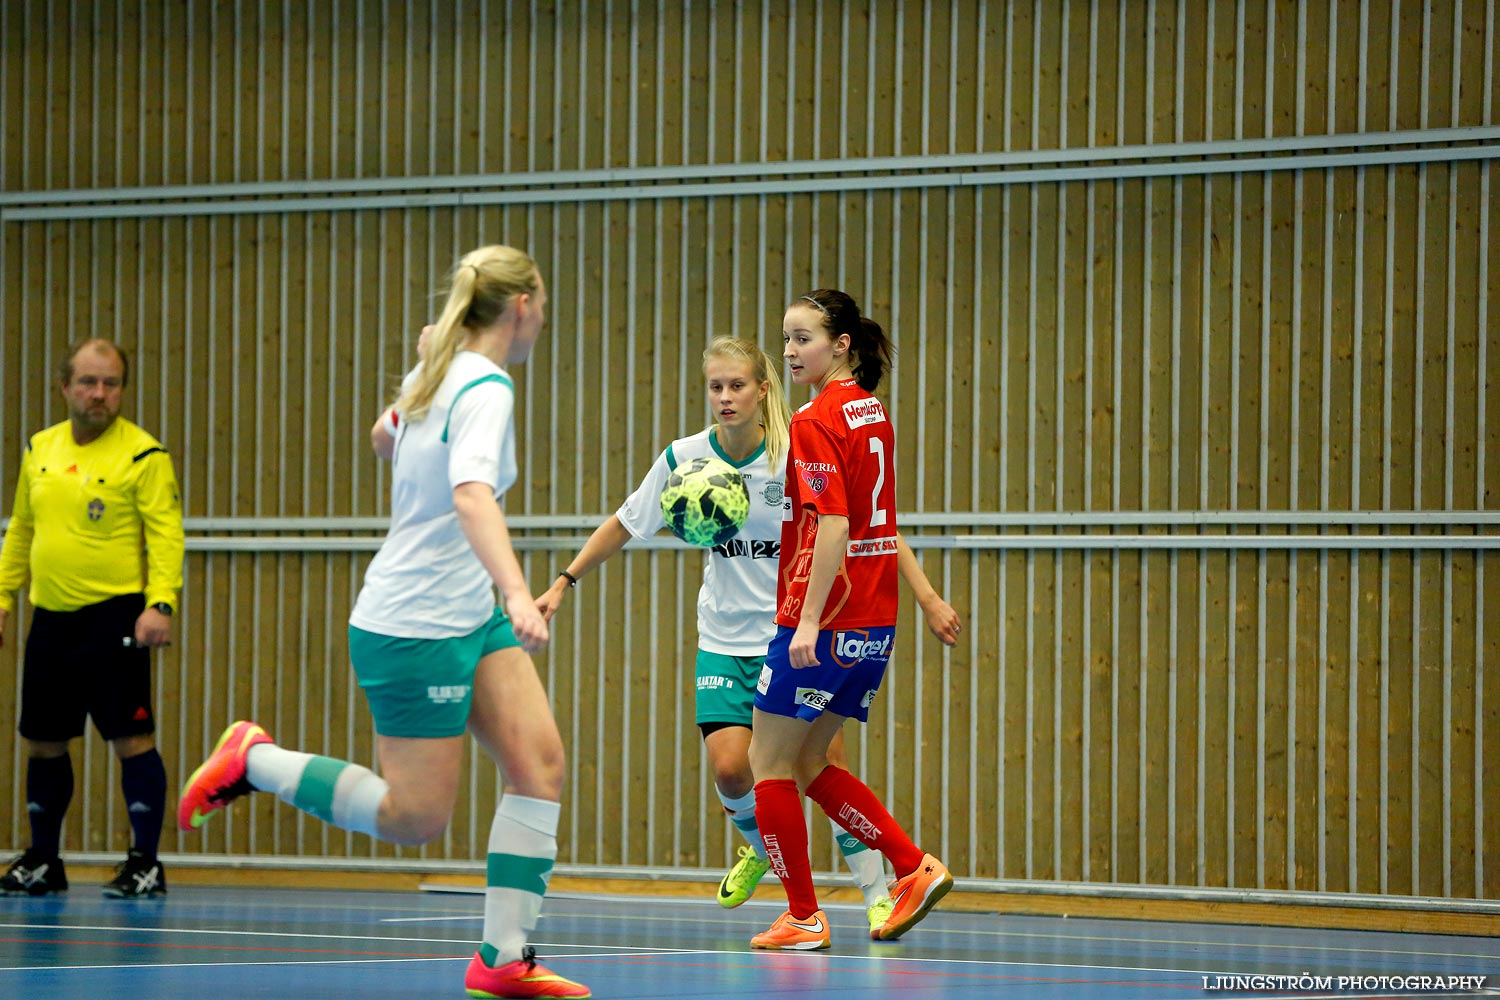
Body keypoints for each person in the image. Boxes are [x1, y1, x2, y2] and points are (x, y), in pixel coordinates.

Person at [176, 245, 589, 1000]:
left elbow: (380, 439)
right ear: (523, 306)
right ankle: (253, 759)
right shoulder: (486, 385)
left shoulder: (439, 372)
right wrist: (518, 593)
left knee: (540, 766)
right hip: (417, 620)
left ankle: (501, 959)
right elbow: (472, 495)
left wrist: (424, 374)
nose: (541, 325)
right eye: (544, 311)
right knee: (414, 818)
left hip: (464, 611)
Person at [536, 335, 960, 938]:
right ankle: (774, 854)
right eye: (716, 386)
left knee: (810, 763)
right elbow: (625, 521)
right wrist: (563, 583)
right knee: (739, 770)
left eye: (737, 385)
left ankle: (872, 892)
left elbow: (866, 526)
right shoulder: (686, 461)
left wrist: (926, 595)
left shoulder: (796, 452)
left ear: (764, 390)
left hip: (792, 632)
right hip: (722, 636)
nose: (726, 397)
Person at [747, 289, 953, 951]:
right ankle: (911, 866)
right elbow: (880, 523)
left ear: (841, 344)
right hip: (873, 622)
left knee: (768, 763)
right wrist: (923, 598)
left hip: (826, 621)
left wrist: (805, 623)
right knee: (808, 763)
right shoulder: (873, 411)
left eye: (803, 337)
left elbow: (834, 523)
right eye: (785, 338)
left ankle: (804, 915)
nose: (789, 350)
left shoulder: (815, 420)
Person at [0, 338, 183, 899]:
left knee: (131, 739)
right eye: (88, 382)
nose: (100, 393)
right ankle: (43, 860)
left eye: (111, 383)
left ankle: (145, 863)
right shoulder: (40, 448)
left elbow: (166, 533)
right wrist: (3, 597)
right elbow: (22, 529)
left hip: (115, 619)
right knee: (44, 741)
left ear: (121, 389)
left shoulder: (144, 455)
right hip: (51, 619)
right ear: (65, 388)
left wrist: (161, 602)